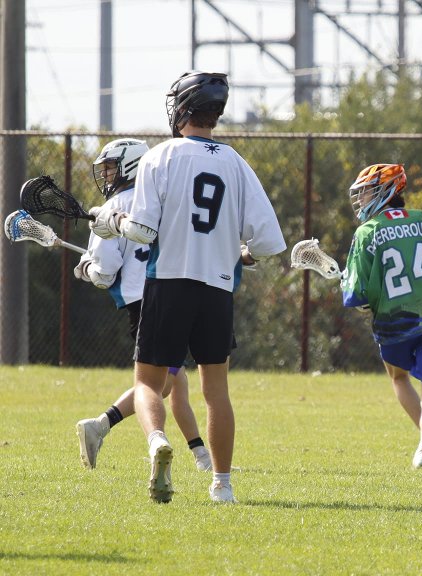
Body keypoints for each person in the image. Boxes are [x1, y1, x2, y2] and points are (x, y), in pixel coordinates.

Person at [88, 71, 286, 504]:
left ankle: (157, 440)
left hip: (169, 284)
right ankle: (223, 485)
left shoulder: (160, 156)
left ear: (181, 109)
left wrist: (113, 221)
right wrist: (239, 253)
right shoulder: (236, 163)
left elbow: (142, 231)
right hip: (217, 290)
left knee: (148, 382)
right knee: (216, 393)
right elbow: (269, 243)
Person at [74, 138, 211, 473]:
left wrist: (86, 268)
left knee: (171, 381)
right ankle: (106, 426)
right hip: (175, 294)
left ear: (130, 165)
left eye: (110, 167)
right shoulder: (164, 197)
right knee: (163, 382)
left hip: (142, 300)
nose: (106, 175)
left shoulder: (113, 207)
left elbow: (105, 274)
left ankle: (200, 456)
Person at [340, 163, 422, 469]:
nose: (361, 199)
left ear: (386, 191)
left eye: (367, 192)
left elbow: (360, 300)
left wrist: (366, 304)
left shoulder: (367, 232)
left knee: (399, 378)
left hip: (394, 324)